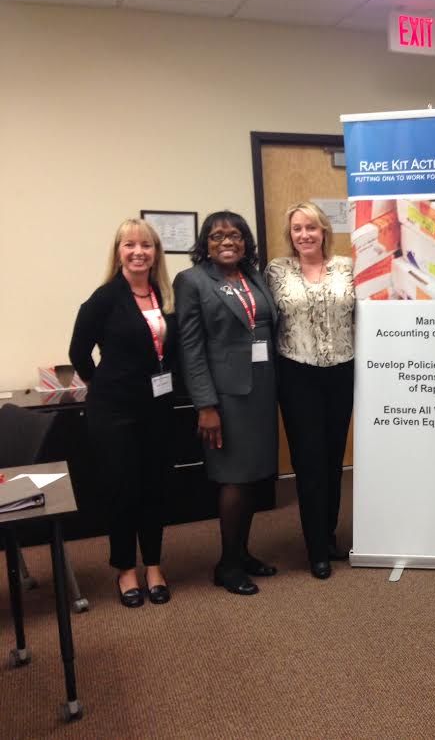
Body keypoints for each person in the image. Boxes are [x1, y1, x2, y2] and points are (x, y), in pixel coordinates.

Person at [69, 218, 176, 608]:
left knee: (154, 487)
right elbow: (78, 353)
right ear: (118, 252)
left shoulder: (164, 296)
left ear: (155, 253)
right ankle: (125, 568)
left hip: (158, 408)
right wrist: (104, 385)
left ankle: (153, 565)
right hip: (113, 411)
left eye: (145, 245)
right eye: (129, 245)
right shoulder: (105, 298)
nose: (138, 252)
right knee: (122, 489)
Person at [173, 211, 279, 596]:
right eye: (217, 236)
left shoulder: (254, 276)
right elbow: (191, 347)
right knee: (234, 477)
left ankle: (242, 551)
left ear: (246, 241)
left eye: (235, 235)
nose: (227, 242)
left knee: (252, 476)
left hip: (262, 391)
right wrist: (205, 404)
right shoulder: (193, 281)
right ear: (205, 244)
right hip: (225, 397)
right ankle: (227, 565)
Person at [266, 202, 354, 581]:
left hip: (342, 371)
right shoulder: (276, 271)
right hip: (297, 374)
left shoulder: (348, 268)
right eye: (297, 229)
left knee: (334, 460)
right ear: (291, 234)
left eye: (311, 228)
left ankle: (329, 535)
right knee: (309, 462)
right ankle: (315, 547)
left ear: (324, 232)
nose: (304, 235)